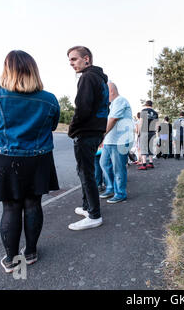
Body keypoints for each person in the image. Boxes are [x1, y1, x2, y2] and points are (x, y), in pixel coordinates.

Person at [0, 50, 60, 273]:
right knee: (33, 204)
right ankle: (30, 253)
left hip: (5, 158)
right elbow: (52, 125)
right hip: (39, 158)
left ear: (7, 68)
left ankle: (11, 260)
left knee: (11, 208)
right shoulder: (49, 98)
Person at [67, 46, 109, 230]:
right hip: (96, 131)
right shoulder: (100, 78)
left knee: (86, 173)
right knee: (85, 171)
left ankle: (94, 215)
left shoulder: (87, 77)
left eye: (74, 59)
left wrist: (72, 129)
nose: (71, 64)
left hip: (86, 132)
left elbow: (82, 108)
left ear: (86, 59)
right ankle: (87, 207)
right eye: (69, 60)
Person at [99, 82, 134, 203]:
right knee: (104, 163)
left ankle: (120, 193)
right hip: (110, 141)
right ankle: (111, 188)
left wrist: (101, 135)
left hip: (119, 141)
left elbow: (113, 119)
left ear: (111, 91)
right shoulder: (113, 104)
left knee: (118, 168)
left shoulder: (120, 100)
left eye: (104, 91)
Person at [138, 100, 158, 170]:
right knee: (150, 147)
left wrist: (139, 132)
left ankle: (144, 164)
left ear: (146, 105)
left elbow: (141, 122)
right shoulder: (155, 113)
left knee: (143, 147)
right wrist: (155, 132)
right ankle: (151, 163)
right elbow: (156, 124)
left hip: (144, 131)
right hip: (152, 131)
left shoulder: (143, 111)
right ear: (151, 105)